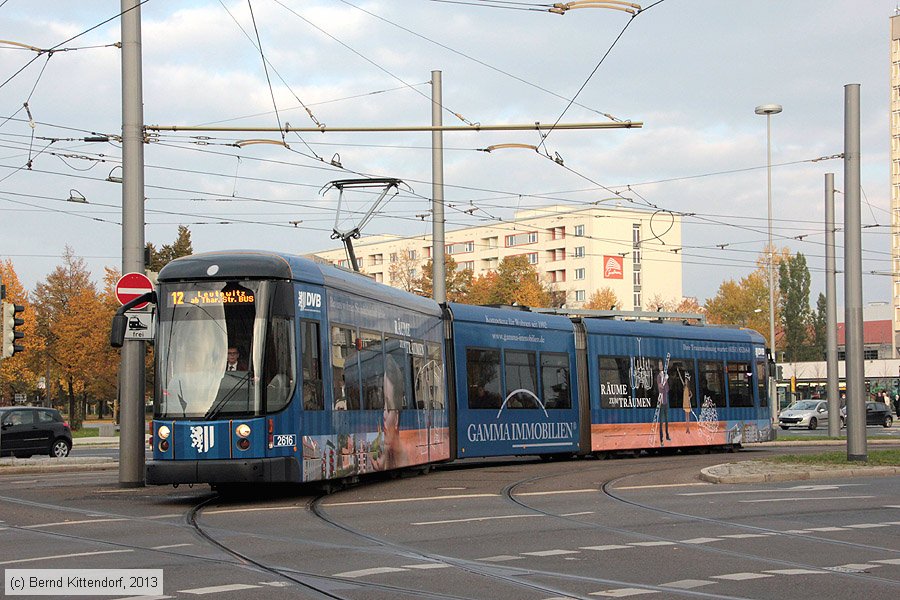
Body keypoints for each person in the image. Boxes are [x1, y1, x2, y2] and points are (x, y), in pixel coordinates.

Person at [656, 359, 670, 445]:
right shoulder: (658, 377)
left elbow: (667, 389)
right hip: (660, 402)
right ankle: (661, 439)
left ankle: (667, 435)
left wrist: (665, 382)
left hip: (665, 401)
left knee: (667, 420)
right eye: (659, 365)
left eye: (661, 365)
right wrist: (664, 382)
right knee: (661, 421)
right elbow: (660, 387)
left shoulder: (665, 376)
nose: (660, 366)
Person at [678, 368, 693, 434]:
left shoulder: (688, 388)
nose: (685, 381)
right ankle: (687, 429)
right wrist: (678, 372)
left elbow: (691, 395)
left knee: (687, 417)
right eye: (685, 381)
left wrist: (689, 397)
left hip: (687, 403)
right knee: (686, 416)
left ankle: (688, 429)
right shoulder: (685, 386)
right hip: (685, 403)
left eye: (686, 381)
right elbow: (681, 379)